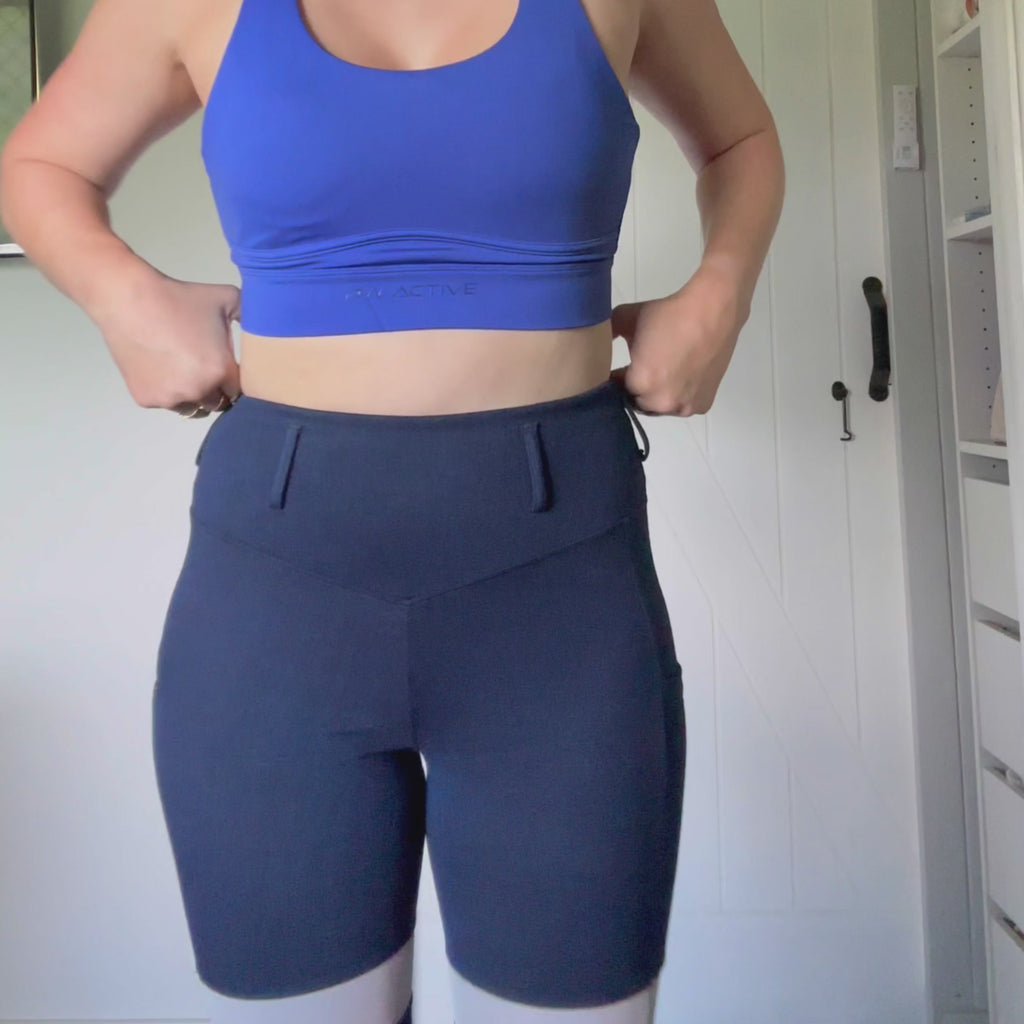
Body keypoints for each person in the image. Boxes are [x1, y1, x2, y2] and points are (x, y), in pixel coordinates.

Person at [0, 0, 784, 1020]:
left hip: (561, 589)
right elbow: (42, 164)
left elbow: (739, 139)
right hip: (279, 592)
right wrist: (123, 298)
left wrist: (720, 293)